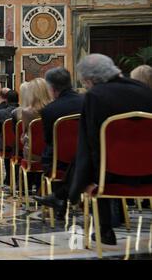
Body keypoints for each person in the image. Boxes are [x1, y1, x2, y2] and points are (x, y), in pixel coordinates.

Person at [39, 54, 152, 245]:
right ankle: (62, 195)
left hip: (111, 175)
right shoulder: (144, 89)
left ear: (90, 80)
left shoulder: (95, 96)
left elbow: (91, 143)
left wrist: (86, 179)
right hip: (149, 171)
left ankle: (104, 229)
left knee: (94, 156)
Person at [32, 67, 84, 216]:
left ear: (51, 87)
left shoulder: (50, 110)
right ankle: (62, 198)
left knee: (51, 153)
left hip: (58, 162)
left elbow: (48, 140)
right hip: (87, 158)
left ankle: (59, 202)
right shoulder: (88, 101)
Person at [20, 78, 52, 161]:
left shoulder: (26, 112)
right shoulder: (54, 108)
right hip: (53, 152)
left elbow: (24, 135)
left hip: (33, 153)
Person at [0, 90, 19, 183]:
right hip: (20, 144)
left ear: (6, 100)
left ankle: (8, 177)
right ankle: (17, 176)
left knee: (6, 144)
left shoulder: (1, 113)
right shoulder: (23, 111)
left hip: (6, 145)